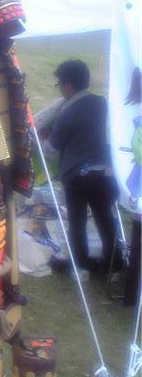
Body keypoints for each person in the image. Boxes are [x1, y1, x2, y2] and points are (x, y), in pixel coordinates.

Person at [47, 59, 122, 281]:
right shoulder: (101, 103)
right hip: (103, 171)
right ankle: (115, 266)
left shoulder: (68, 111)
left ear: (68, 84)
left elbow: (52, 147)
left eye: (59, 85)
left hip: (78, 174)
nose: (60, 89)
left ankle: (81, 268)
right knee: (104, 217)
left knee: (77, 220)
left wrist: (40, 142)